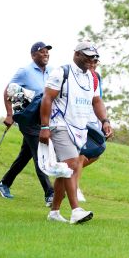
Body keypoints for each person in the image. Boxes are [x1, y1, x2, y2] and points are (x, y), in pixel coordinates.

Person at [39, 41, 113, 224]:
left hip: (80, 128)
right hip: (60, 125)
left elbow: (97, 101)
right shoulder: (61, 73)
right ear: (77, 54)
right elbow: (47, 98)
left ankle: (54, 213)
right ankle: (76, 210)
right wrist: (44, 127)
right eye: (88, 56)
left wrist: (105, 121)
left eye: (94, 57)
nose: (92, 60)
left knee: (64, 171)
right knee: (72, 164)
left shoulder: (92, 77)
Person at [0, 41, 54, 207]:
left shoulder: (52, 72)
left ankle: (4, 183)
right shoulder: (25, 72)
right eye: (41, 52)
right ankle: (50, 193)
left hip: (43, 120)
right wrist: (9, 114)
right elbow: (8, 91)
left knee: (25, 156)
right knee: (40, 155)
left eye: (47, 52)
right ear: (33, 55)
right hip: (28, 119)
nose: (45, 54)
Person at [76, 60, 104, 202]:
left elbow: (97, 100)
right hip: (79, 120)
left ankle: (69, 173)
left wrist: (104, 122)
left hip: (93, 121)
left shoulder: (96, 77)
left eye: (96, 61)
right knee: (81, 155)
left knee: (96, 152)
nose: (93, 64)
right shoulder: (76, 75)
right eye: (91, 61)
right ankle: (75, 187)